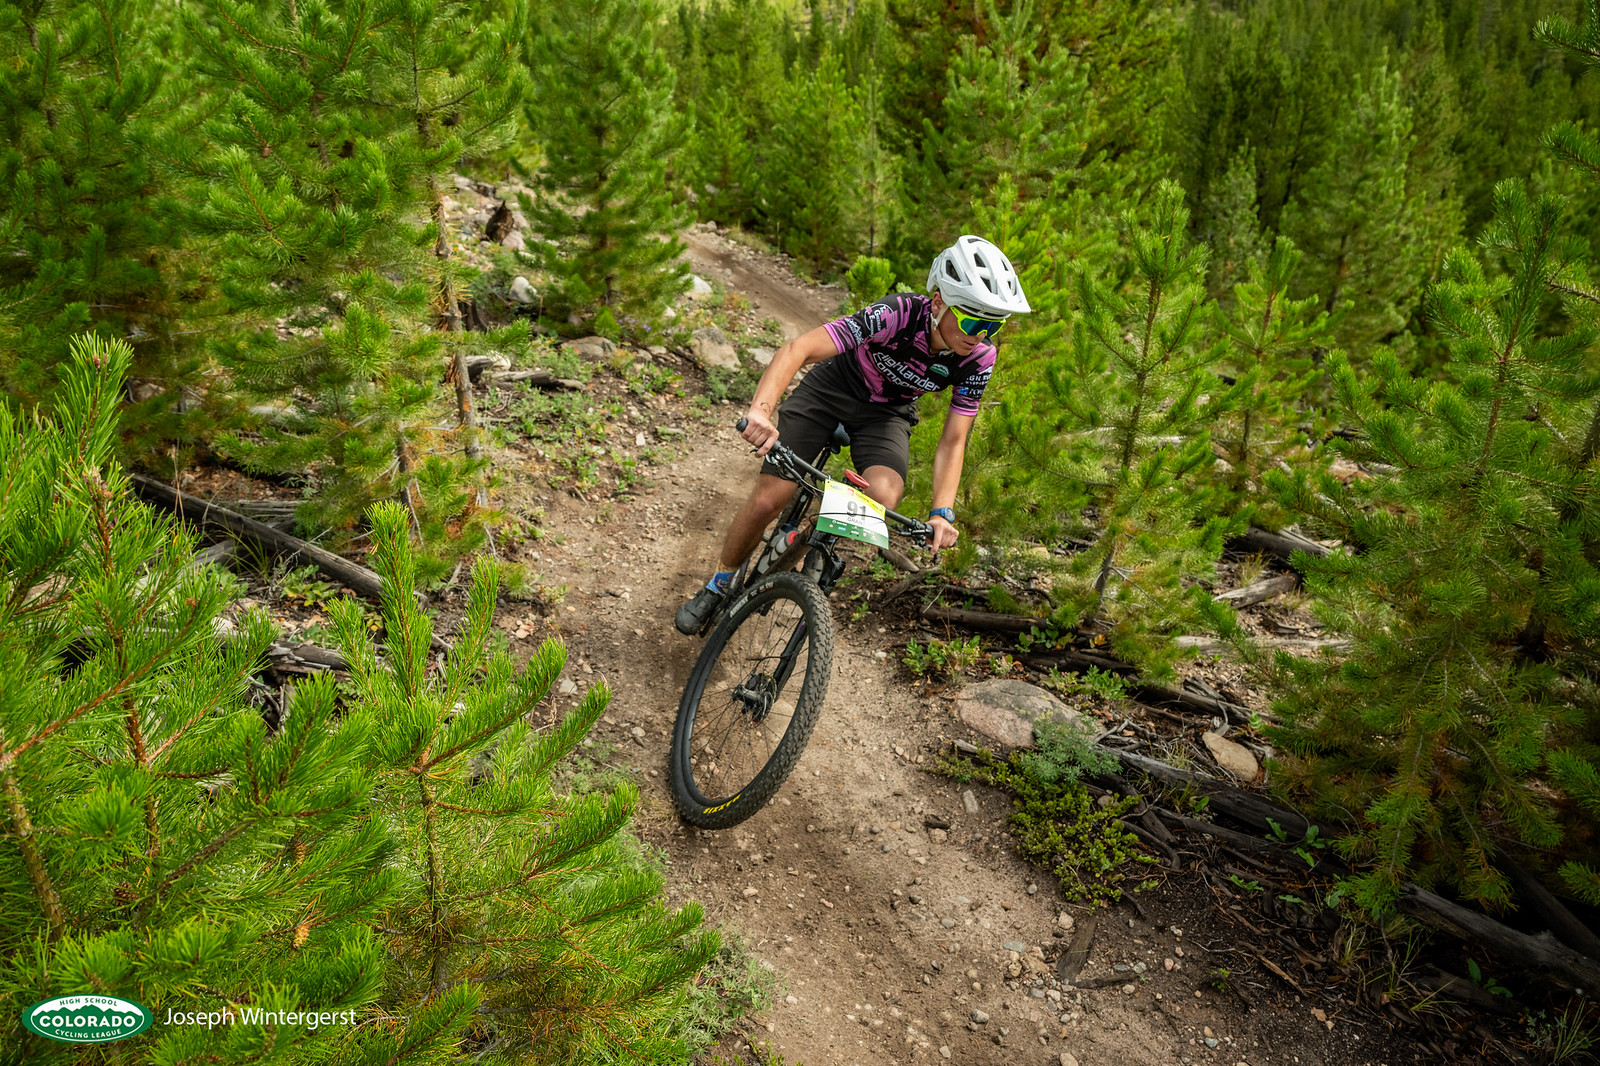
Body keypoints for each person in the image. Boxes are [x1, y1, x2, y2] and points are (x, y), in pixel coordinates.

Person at [674, 234, 1031, 635]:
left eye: (992, 325)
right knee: (769, 499)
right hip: (834, 387)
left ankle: (804, 541)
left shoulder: (980, 358)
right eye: (971, 321)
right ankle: (719, 584)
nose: (979, 335)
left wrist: (942, 511)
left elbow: (954, 439)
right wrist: (761, 412)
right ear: (937, 303)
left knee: (883, 495)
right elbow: (798, 349)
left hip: (886, 414)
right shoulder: (896, 313)